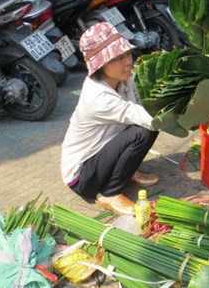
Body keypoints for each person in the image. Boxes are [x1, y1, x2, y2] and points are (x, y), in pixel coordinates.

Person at [61, 22, 159, 216]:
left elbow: (142, 103)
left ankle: (127, 173)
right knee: (144, 129)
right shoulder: (97, 96)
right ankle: (109, 193)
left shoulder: (124, 79)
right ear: (101, 65)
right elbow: (140, 115)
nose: (128, 62)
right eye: (118, 58)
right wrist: (182, 116)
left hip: (102, 154)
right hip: (82, 176)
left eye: (128, 54)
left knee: (144, 126)